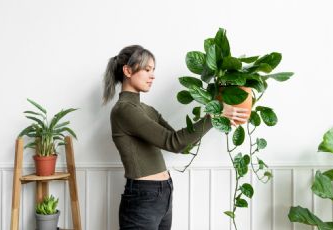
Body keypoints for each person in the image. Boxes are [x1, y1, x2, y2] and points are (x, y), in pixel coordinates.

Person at [102, 45, 248, 230]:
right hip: (143, 197)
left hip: (164, 193)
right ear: (127, 70)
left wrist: (215, 108)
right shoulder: (124, 110)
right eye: (147, 70)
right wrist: (214, 117)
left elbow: (183, 144)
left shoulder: (147, 110)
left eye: (153, 70)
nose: (152, 75)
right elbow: (174, 143)